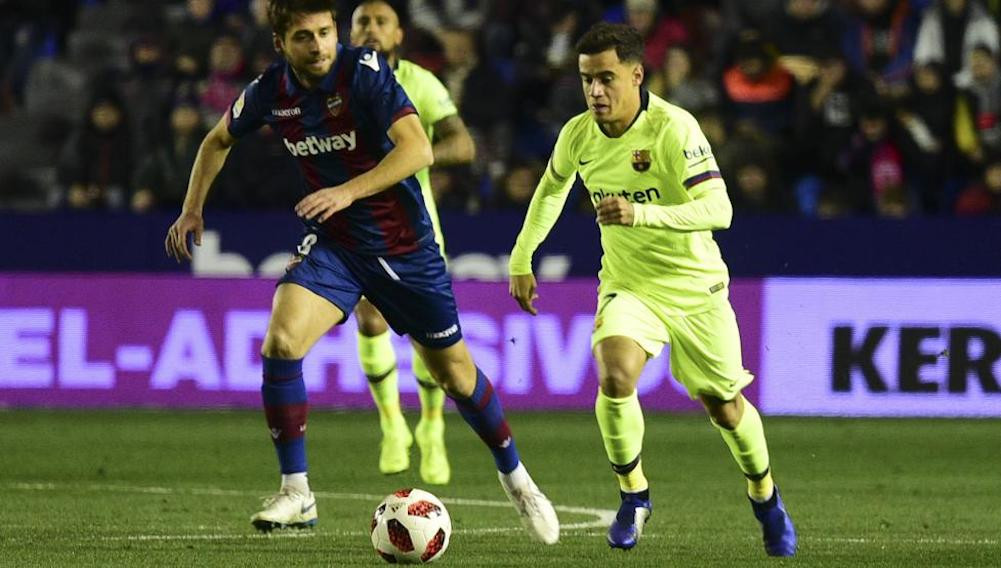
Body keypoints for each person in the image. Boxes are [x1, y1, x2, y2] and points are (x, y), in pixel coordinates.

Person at [164, 0, 558, 544]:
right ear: (281, 44)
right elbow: (216, 141)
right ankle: (296, 492)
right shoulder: (270, 91)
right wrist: (192, 208)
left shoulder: (365, 73)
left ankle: (518, 480)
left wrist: (345, 191)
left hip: (404, 248)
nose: (320, 46)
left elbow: (419, 150)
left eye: (326, 32)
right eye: (305, 37)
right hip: (339, 246)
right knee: (281, 341)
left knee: (456, 377)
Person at [508, 22, 797, 555]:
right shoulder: (577, 134)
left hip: (695, 286)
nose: (595, 91)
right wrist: (522, 257)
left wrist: (640, 212)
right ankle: (634, 494)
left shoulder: (673, 128)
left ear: (636, 75)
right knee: (615, 375)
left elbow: (720, 209)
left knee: (725, 407)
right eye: (587, 80)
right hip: (629, 285)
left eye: (606, 78)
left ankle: (765, 496)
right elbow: (551, 190)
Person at [348, 0, 476, 486]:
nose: (372, 30)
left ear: (399, 33)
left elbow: (463, 145)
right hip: (359, 223)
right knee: (369, 316)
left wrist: (416, 157)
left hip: (416, 226)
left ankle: (432, 425)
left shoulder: (420, 83)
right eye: (362, 22)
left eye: (381, 22)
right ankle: (390, 423)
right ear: (349, 32)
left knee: (429, 337)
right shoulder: (337, 85)